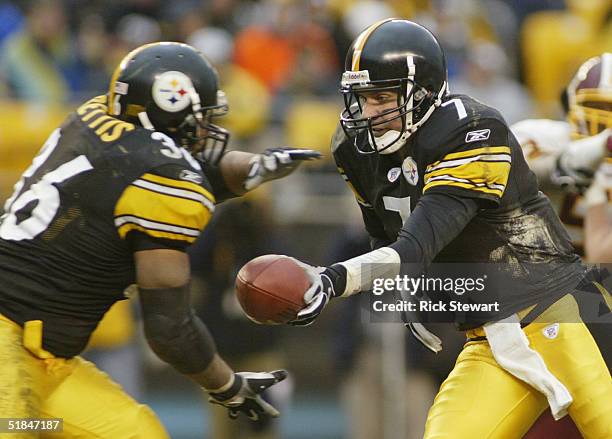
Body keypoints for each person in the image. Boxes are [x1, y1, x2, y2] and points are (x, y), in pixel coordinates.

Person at [286, 20, 611, 438]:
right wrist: (414, 297)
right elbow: (384, 237)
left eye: (381, 98)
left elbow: (414, 246)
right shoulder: (356, 150)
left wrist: (329, 281)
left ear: (422, 94)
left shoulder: (472, 131)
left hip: (569, 315)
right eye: (361, 98)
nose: (366, 114)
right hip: (491, 335)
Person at [0, 42, 320, 438]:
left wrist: (255, 166)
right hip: (8, 347)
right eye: (199, 119)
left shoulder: (95, 116)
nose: (205, 130)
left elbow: (169, 172)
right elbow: (169, 329)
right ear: (171, 113)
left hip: (45, 359)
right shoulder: (163, 181)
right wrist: (228, 386)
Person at [510, 53, 612, 439]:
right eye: (598, 111)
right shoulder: (540, 140)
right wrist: (566, 165)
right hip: (533, 306)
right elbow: (500, 177)